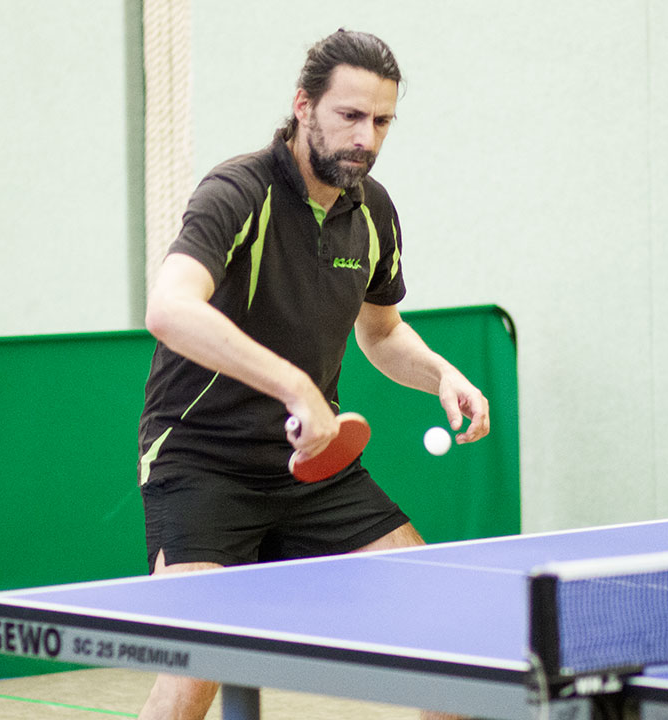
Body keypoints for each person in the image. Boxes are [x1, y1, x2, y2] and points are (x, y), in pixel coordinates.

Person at [136, 29, 489, 720]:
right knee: (194, 669)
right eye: (349, 115)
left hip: (312, 465)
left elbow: (381, 333)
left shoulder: (372, 210)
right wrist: (295, 385)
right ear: (303, 106)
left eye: (381, 121)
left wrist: (440, 374)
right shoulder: (239, 192)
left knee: (448, 641)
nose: (366, 137)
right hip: (203, 461)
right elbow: (169, 309)